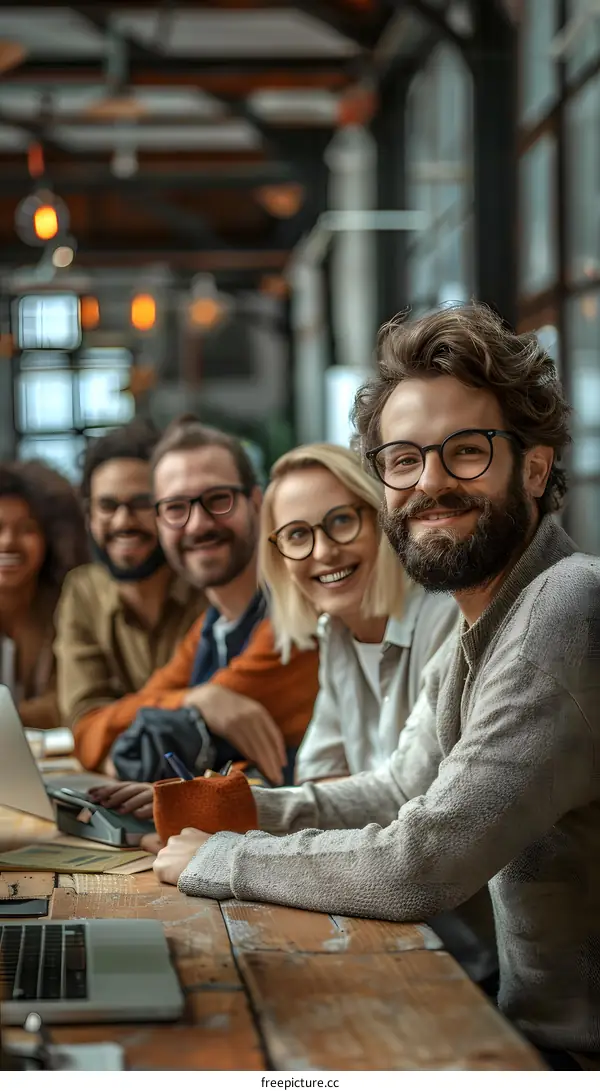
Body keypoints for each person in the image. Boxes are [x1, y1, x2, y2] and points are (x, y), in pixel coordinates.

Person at [152, 303, 600, 1067]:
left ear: (535, 465)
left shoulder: (564, 605)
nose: (429, 483)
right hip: (515, 1031)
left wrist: (223, 856)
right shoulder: (481, 627)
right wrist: (227, 809)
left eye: (465, 451)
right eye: (402, 459)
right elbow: (400, 789)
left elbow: (419, 862)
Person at [82, 417, 319, 783]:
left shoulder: (294, 616)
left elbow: (146, 752)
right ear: (160, 521)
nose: (197, 524)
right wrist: (197, 699)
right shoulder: (211, 627)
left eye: (218, 499)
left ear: (256, 502)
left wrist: (185, 705)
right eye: (176, 508)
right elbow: (91, 733)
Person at [55, 420, 206, 761]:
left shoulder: (211, 588)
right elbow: (84, 718)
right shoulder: (82, 592)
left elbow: (214, 724)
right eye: (107, 506)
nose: (123, 522)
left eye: (141, 503)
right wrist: (190, 701)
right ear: (89, 515)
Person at [0, 460, 88, 730]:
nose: (8, 542)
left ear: (52, 538)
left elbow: (69, 704)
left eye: (27, 529)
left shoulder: (72, 607)